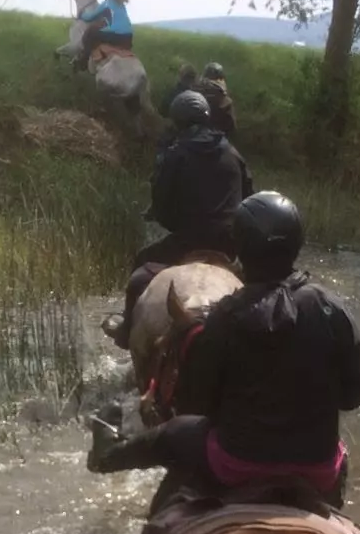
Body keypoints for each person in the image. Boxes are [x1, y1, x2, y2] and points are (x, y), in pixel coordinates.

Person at [88, 192, 360, 508]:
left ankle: (107, 456)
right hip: (317, 469)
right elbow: (356, 393)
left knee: (171, 434)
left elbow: (197, 405)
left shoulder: (225, 316)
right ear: (297, 243)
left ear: (240, 248)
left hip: (235, 464)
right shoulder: (332, 307)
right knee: (340, 460)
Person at [106, 89, 254, 348]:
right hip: (230, 243)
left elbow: (162, 205)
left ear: (177, 120)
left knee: (141, 268)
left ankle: (127, 328)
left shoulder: (175, 153)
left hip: (189, 240)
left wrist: (169, 220)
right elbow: (250, 195)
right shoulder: (232, 152)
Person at [74, 0, 133, 71]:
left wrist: (81, 14)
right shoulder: (121, 2)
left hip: (116, 35)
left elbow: (90, 17)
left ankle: (84, 61)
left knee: (91, 31)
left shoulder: (106, 3)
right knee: (100, 30)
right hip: (128, 37)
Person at [196, 61, 236, 138]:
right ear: (221, 79)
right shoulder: (225, 101)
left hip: (195, 138)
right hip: (217, 140)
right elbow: (231, 128)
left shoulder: (194, 94)